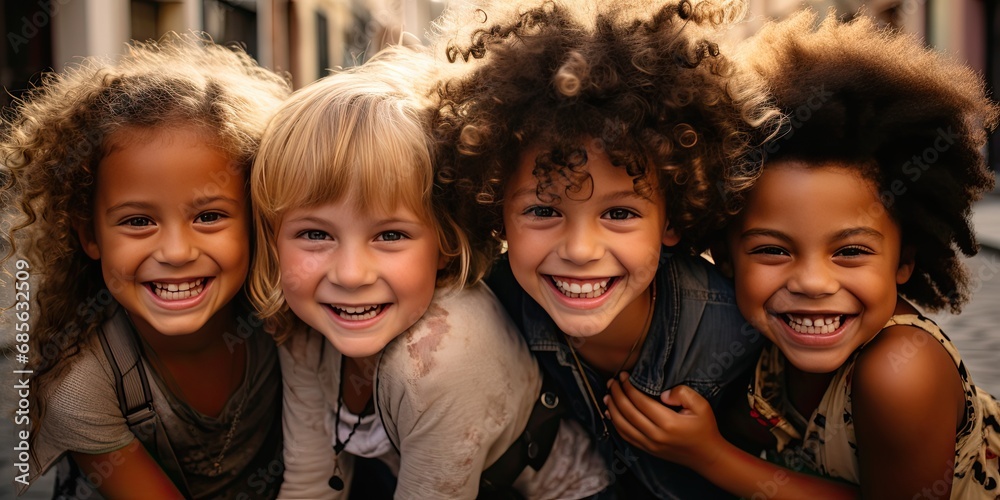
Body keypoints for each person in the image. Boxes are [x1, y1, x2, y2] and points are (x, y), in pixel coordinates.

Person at [605, 10, 1000, 499]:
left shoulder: (901, 371)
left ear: (903, 260)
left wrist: (708, 454)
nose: (812, 282)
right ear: (724, 258)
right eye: (773, 250)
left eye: (850, 251)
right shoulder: (752, 335)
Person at [433, 0, 782, 496]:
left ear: (672, 218)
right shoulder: (493, 305)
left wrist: (713, 455)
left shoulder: (738, 333)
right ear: (497, 214)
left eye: (619, 214)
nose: (579, 249)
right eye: (543, 211)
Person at [247, 46, 608, 499]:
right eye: (316, 236)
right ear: (273, 238)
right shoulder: (303, 328)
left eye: (391, 236)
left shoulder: (441, 358)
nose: (351, 275)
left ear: (444, 242)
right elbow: (311, 482)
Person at [2, 34, 290, 498]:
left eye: (209, 216)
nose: (176, 252)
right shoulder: (83, 386)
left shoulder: (288, 318)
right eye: (139, 221)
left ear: (257, 216)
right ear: (90, 235)